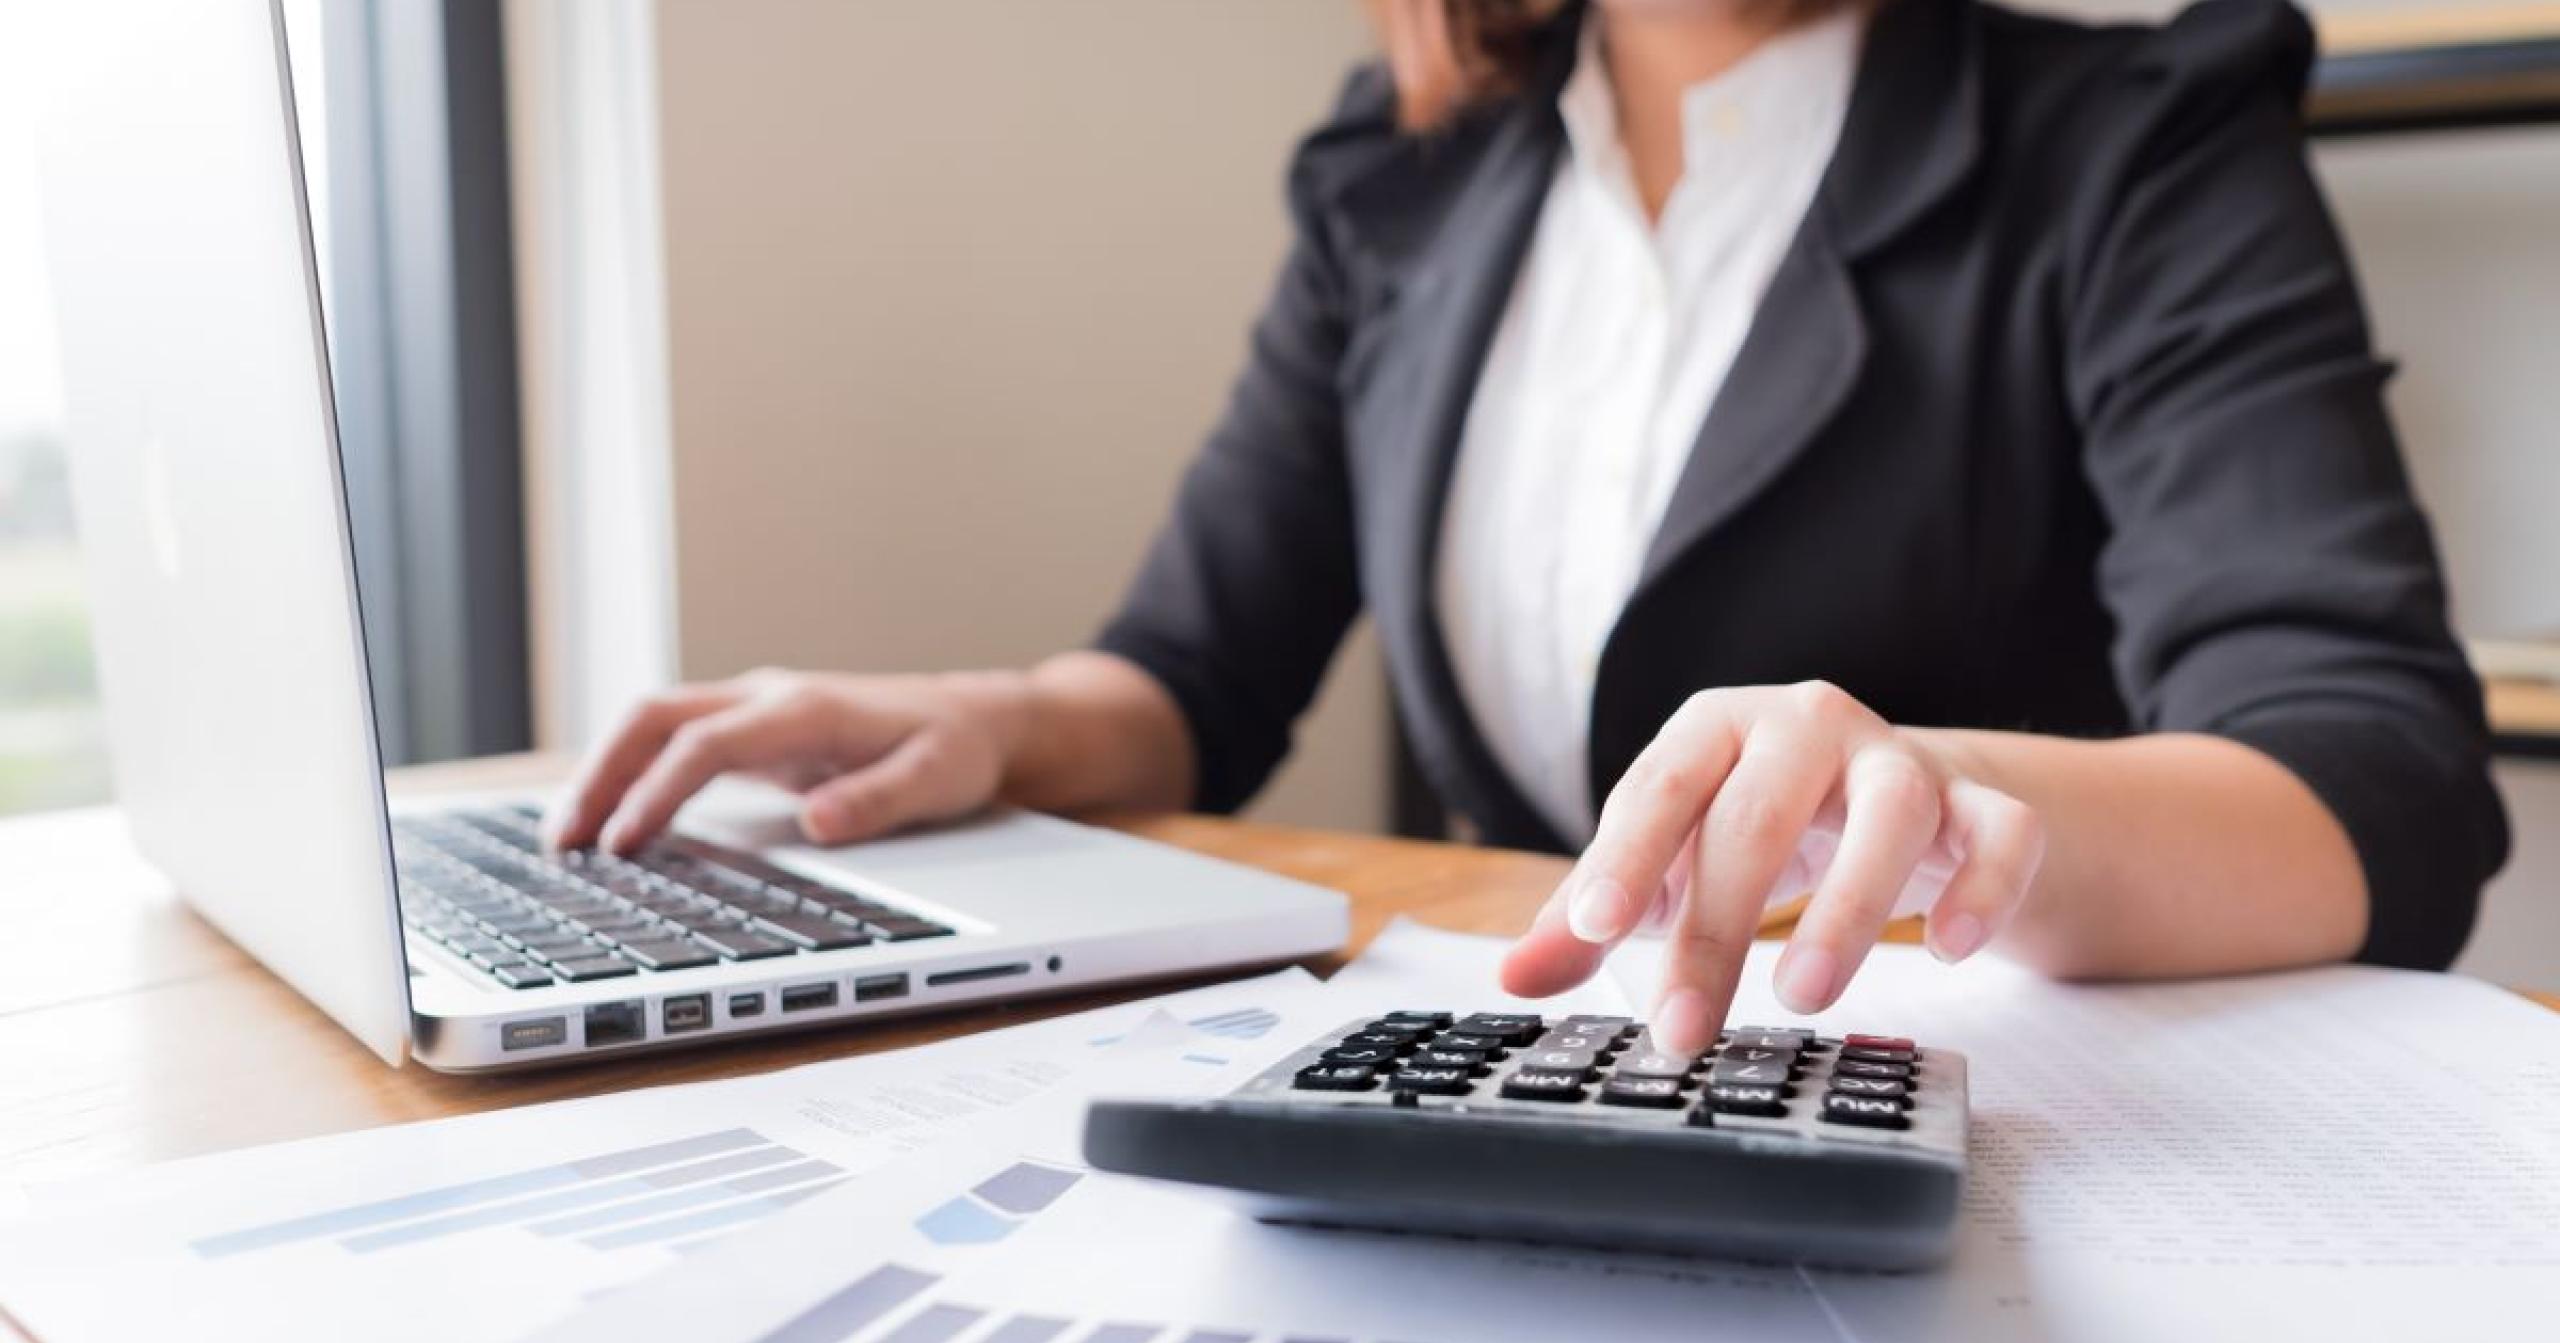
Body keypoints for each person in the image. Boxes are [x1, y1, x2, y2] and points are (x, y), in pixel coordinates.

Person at [549, 0, 2508, 1057]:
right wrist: (985, 716)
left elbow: (2368, 779)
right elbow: (1186, 678)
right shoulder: (1404, 185)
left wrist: (1941, 793)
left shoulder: (2135, 141)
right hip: (1524, 1072)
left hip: (1973, 1116)